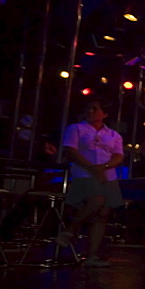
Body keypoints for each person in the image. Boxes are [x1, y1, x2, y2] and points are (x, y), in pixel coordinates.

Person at [55, 99, 125, 267]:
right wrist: (92, 168)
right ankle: (70, 230)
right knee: (97, 200)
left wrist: (105, 166)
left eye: (95, 109)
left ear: (104, 114)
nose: (91, 111)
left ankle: (91, 255)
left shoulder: (113, 135)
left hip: (108, 176)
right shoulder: (76, 129)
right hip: (84, 174)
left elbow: (118, 155)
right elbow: (71, 151)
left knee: (102, 214)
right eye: (89, 108)